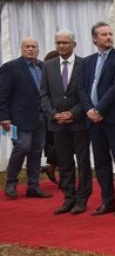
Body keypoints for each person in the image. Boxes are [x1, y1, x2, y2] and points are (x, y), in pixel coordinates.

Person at [78, 22, 115, 215]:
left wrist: (99, 109)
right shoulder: (87, 61)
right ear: (94, 39)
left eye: (110, 34)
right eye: (104, 34)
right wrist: (89, 110)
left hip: (113, 119)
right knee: (100, 162)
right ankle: (107, 200)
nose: (108, 37)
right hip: (92, 120)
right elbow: (81, 88)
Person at [39, 31, 91, 214]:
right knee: (64, 162)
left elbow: (87, 92)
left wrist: (74, 113)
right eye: (58, 42)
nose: (61, 46)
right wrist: (53, 114)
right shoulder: (47, 66)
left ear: (74, 44)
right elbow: (43, 94)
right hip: (57, 124)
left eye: (65, 42)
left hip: (78, 123)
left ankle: (82, 198)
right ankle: (69, 197)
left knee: (83, 162)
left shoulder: (84, 64)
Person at [0, 37, 51, 200]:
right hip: (18, 119)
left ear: (38, 49)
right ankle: (11, 183)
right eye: (27, 46)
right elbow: (3, 94)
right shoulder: (10, 67)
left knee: (36, 152)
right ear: (21, 48)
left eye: (33, 46)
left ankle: (33, 186)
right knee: (22, 146)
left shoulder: (44, 67)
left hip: (40, 118)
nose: (30, 49)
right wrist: (4, 117)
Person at [40, 50, 60, 186]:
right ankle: (53, 169)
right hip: (50, 115)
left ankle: (51, 167)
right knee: (57, 145)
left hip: (61, 114)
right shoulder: (47, 75)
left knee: (60, 146)